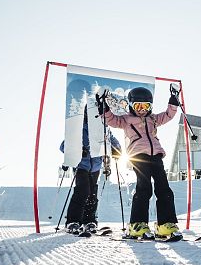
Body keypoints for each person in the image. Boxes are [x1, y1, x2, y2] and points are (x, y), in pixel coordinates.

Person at [96, 85, 180, 239]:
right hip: (138, 156)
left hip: (156, 156)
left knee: (164, 189)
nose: (142, 109)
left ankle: (165, 225)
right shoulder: (126, 120)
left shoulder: (153, 118)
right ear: (131, 106)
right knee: (144, 188)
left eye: (146, 106)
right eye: (138, 106)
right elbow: (111, 120)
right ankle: (137, 224)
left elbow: (168, 115)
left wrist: (173, 100)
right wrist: (103, 107)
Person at [61, 108, 121, 235]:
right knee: (82, 191)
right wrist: (77, 150)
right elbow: (63, 146)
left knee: (92, 192)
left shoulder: (103, 128)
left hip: (96, 166)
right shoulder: (78, 128)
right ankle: (73, 221)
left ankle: (89, 221)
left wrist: (116, 150)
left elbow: (112, 141)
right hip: (81, 165)